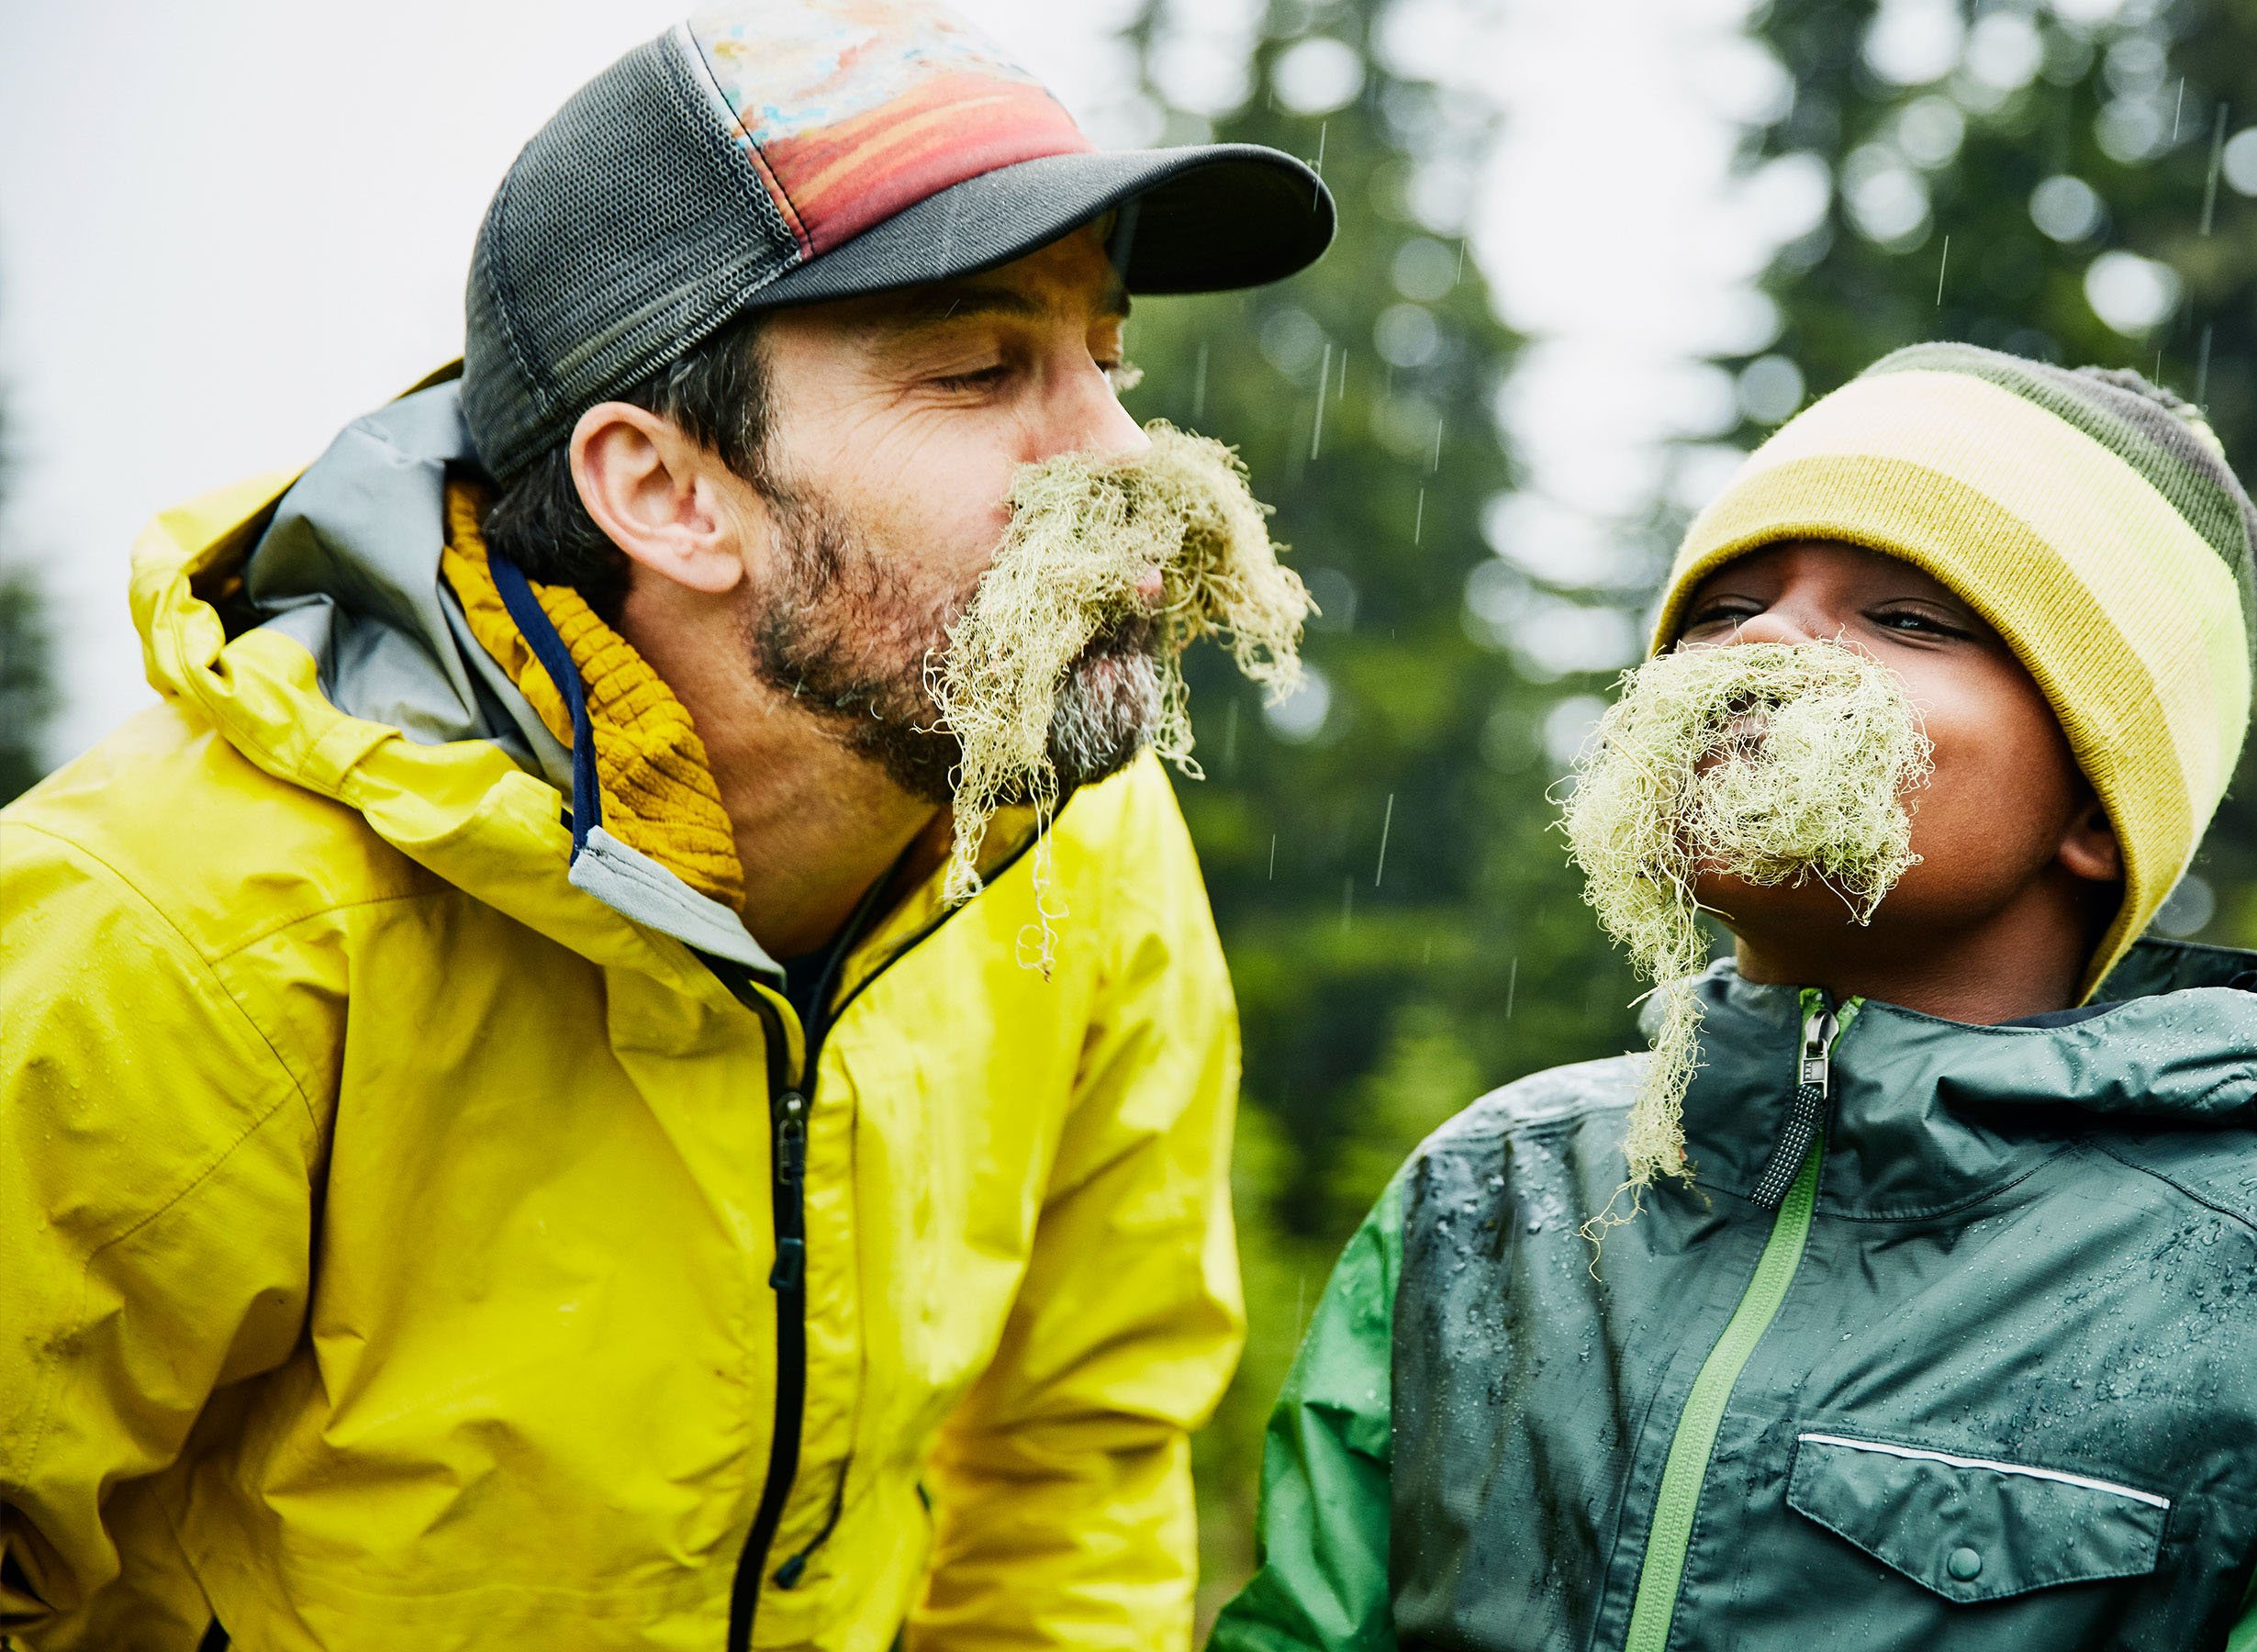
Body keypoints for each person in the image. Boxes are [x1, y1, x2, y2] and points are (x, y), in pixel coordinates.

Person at [0, 3, 1334, 1647]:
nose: (1125, 456)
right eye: (982, 370)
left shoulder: (1076, 859)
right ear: (666, 491)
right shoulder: (172, 930)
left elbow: (1073, 1476)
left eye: (1106, 364)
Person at [1207, 344, 2257, 1651]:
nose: (1766, 647)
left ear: (2092, 805)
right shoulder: (1490, 1193)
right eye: (1722, 610)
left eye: (1907, 618)